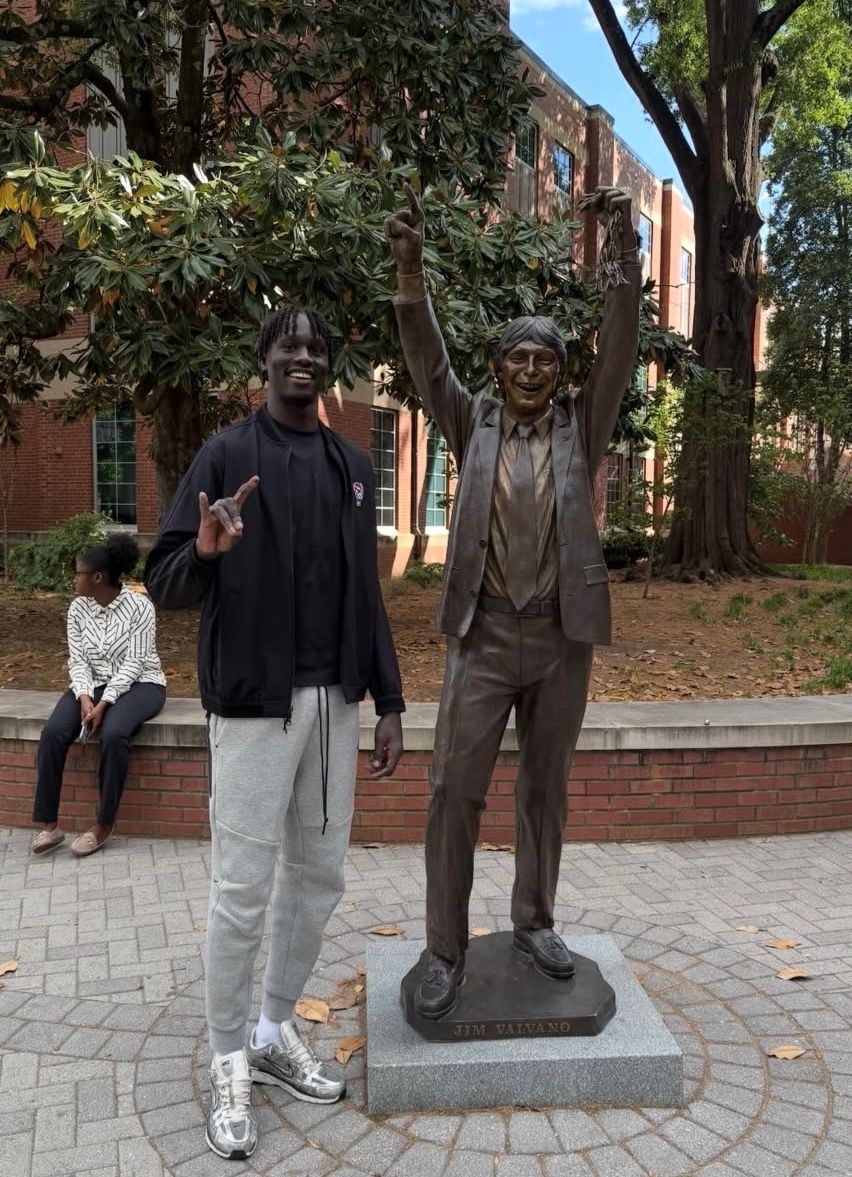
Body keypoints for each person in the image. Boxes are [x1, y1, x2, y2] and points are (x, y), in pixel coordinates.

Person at [145, 304, 405, 1161]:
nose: (303, 354)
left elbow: (366, 593)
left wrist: (389, 700)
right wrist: (209, 552)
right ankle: (226, 1057)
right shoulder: (225, 455)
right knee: (243, 886)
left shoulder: (352, 465)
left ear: (327, 365)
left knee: (320, 877)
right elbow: (166, 577)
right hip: (254, 708)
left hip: (333, 704)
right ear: (264, 360)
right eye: (288, 343)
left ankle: (271, 1027)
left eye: (316, 345)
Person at [385, 184, 641, 1019]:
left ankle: (534, 919)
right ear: (499, 369)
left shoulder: (582, 425)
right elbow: (428, 361)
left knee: (545, 786)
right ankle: (443, 947)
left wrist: (623, 268)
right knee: (454, 790)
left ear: (561, 373)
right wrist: (411, 275)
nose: (531, 369)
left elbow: (619, 355)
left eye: (545, 359)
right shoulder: (474, 421)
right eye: (518, 358)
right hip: (484, 637)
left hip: (561, 637)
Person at [31, 533, 167, 858]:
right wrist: (83, 697)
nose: (73, 578)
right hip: (91, 685)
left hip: (142, 684)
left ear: (97, 577)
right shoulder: (78, 609)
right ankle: (50, 825)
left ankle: (103, 824)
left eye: (77, 572)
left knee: (114, 733)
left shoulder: (140, 606)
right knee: (52, 733)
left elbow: (135, 662)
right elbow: (77, 659)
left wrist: (105, 703)